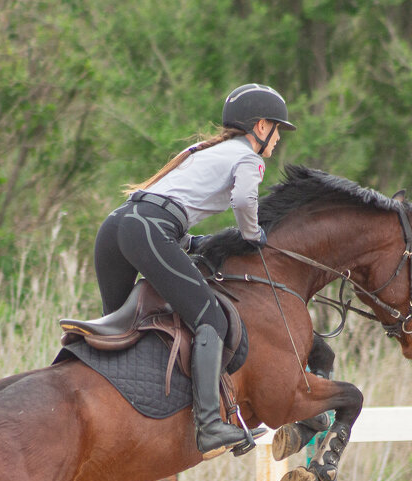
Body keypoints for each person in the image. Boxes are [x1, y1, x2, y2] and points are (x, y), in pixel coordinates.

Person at [92, 83, 296, 454]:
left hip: (116, 226)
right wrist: (253, 236)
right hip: (149, 228)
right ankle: (210, 426)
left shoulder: (207, 151)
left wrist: (190, 244)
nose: (279, 137)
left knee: (120, 328)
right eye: (277, 128)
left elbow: (165, 205)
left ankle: (119, 413)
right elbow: (244, 199)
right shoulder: (250, 157)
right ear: (261, 127)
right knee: (211, 320)